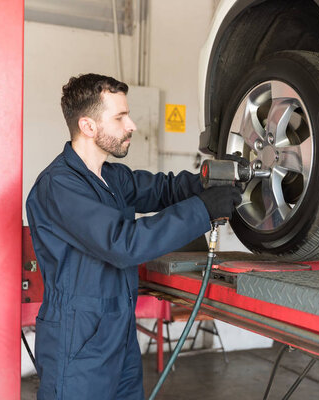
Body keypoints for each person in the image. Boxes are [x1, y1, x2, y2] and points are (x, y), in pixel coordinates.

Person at [26, 73, 241, 400]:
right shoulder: (60, 186)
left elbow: (164, 188)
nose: (132, 125)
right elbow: (123, 244)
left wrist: (212, 180)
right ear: (88, 126)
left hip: (119, 333)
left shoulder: (112, 176)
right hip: (78, 338)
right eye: (120, 117)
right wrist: (202, 210)